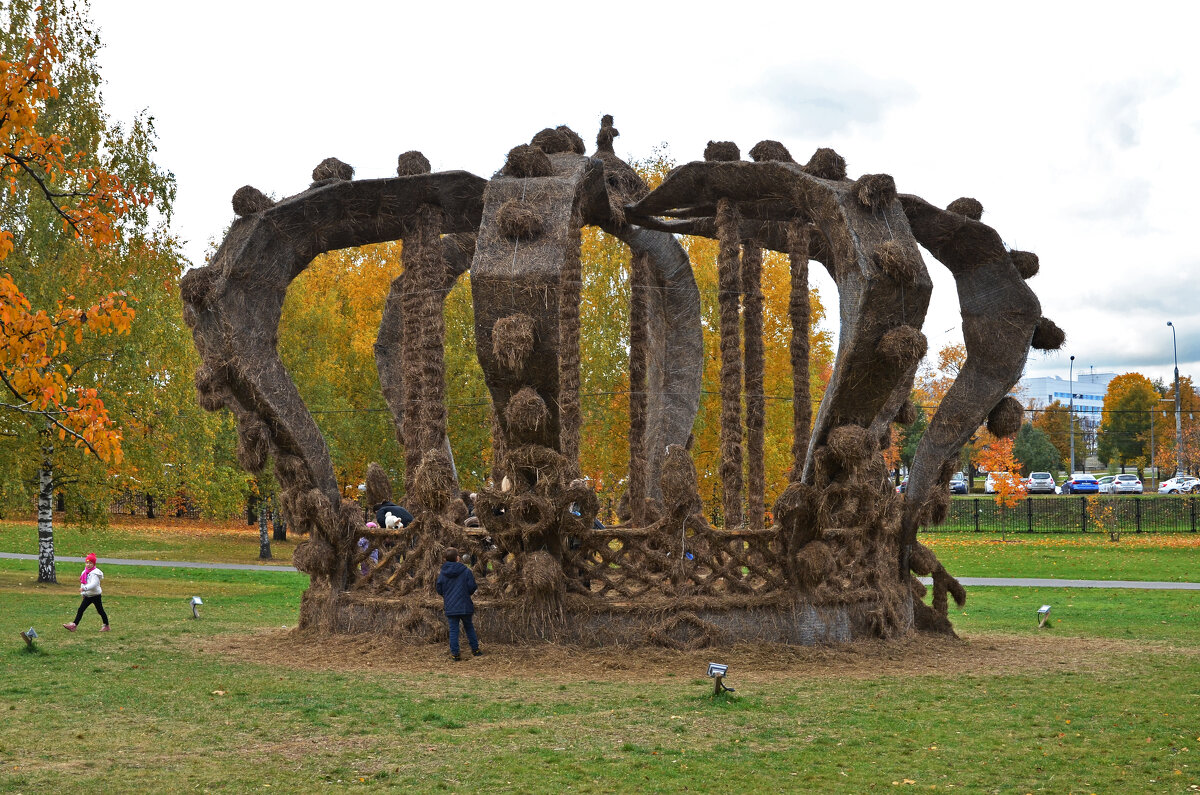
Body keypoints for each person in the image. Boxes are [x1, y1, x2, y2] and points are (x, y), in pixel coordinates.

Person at [435, 547, 480, 661]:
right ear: (458, 558)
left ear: (445, 559)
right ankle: (475, 650)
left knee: (454, 630)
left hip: (450, 605)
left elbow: (439, 589)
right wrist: (466, 593)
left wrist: (447, 596)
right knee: (469, 627)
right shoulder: (465, 571)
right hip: (465, 604)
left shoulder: (443, 573)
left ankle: (455, 654)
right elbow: (472, 587)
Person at [63, 553, 109, 632]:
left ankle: (106, 625)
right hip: (88, 595)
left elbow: (93, 584)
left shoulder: (95, 573)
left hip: (95, 595)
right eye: (87, 563)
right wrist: (83, 593)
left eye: (90, 563)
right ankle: (74, 625)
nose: (88, 565)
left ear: (94, 564)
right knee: (81, 609)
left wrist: (84, 588)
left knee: (100, 610)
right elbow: (83, 582)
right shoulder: (84, 572)